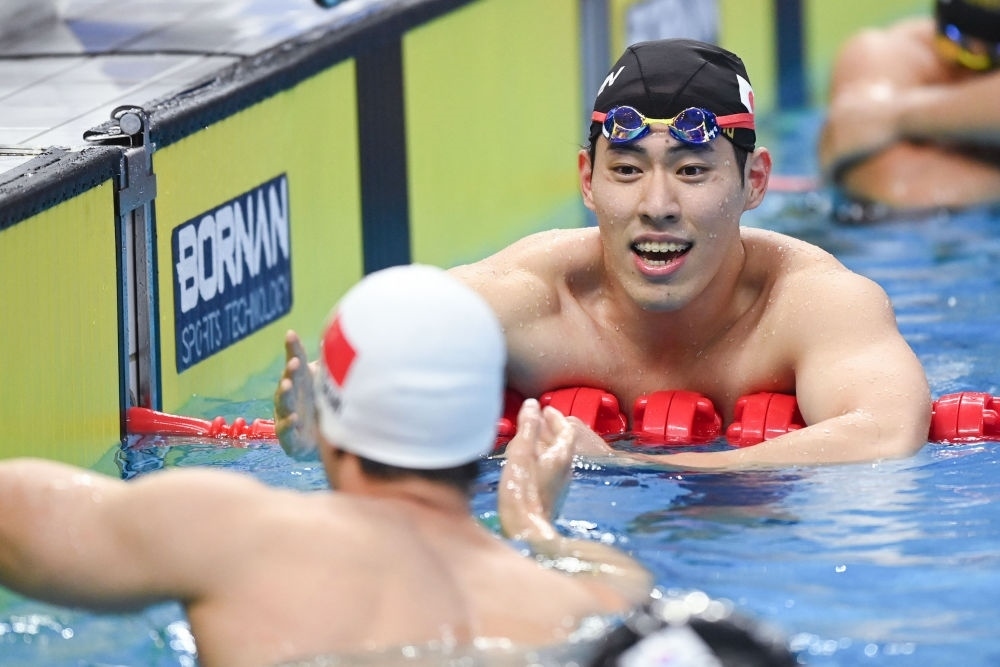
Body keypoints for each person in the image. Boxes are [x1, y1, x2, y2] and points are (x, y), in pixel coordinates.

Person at [276, 38, 931, 471]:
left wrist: (633, 467)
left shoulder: (810, 302)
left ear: (754, 181)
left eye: (692, 170)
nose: (657, 204)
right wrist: (327, 436)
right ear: (587, 180)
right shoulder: (526, 301)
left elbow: (885, 433)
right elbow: (366, 351)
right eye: (626, 170)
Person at [0, 265, 654, 667]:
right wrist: (537, 529)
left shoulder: (230, 531)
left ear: (332, 414)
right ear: (489, 423)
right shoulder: (586, 600)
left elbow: (15, 516)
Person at [819, 0, 1000, 222]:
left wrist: (894, 117)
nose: (971, 69)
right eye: (956, 44)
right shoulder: (887, 53)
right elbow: (897, 185)